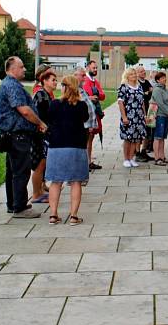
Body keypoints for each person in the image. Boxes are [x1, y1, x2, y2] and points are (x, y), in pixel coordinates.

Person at [0, 56, 47, 218]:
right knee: (20, 171)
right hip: (17, 135)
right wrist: (40, 122)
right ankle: (19, 207)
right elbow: (23, 110)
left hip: (13, 134)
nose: (25, 69)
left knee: (13, 171)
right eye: (22, 66)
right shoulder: (12, 85)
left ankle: (13, 204)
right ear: (12, 69)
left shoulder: (10, 84)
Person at [45, 75, 91, 225]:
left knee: (55, 182)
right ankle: (73, 216)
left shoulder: (54, 104)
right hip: (76, 146)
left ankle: (53, 214)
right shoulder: (81, 105)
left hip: (56, 146)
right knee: (76, 182)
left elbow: (49, 120)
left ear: (64, 87)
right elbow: (85, 120)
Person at [31, 68, 57, 204]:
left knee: (43, 163)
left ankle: (40, 191)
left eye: (56, 80)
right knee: (39, 165)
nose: (55, 83)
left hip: (45, 135)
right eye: (53, 80)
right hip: (40, 136)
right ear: (44, 81)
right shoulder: (41, 95)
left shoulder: (46, 94)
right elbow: (40, 117)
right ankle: (36, 194)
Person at [118, 68, 146, 168]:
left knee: (136, 138)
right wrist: (124, 116)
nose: (134, 75)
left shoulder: (139, 87)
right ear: (127, 76)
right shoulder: (123, 87)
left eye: (134, 73)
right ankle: (126, 159)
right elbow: (120, 102)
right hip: (129, 116)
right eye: (131, 74)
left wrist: (144, 115)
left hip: (139, 117)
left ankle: (131, 158)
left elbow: (142, 102)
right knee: (128, 138)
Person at [81, 60, 105, 170]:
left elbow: (102, 95)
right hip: (86, 114)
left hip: (94, 113)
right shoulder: (85, 80)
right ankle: (85, 162)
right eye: (93, 68)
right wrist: (92, 96)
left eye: (96, 68)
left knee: (91, 138)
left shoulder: (95, 81)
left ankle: (88, 161)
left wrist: (95, 95)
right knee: (86, 138)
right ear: (87, 68)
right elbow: (86, 95)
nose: (95, 70)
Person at [151, 72, 168, 166]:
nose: (165, 79)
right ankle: (157, 158)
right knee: (157, 137)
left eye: (165, 77)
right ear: (158, 80)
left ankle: (162, 156)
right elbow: (160, 104)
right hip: (160, 116)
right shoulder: (157, 90)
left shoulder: (166, 90)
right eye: (162, 78)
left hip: (166, 117)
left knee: (163, 138)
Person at [135, 65, 154, 162]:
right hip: (140, 111)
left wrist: (148, 92)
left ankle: (144, 151)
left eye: (144, 71)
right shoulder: (136, 83)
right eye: (141, 71)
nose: (144, 72)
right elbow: (143, 94)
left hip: (149, 110)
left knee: (147, 131)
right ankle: (137, 153)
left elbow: (152, 91)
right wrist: (147, 92)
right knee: (140, 132)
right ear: (137, 73)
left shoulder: (146, 82)